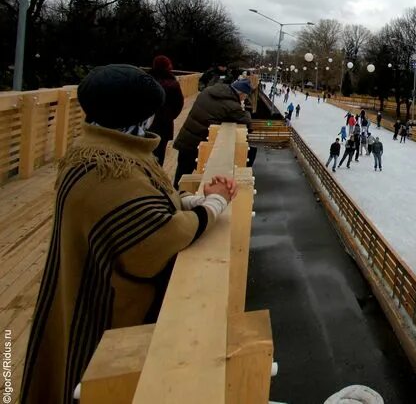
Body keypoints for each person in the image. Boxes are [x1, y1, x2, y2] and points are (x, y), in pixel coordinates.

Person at [20, 64, 238, 404]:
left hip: (81, 288)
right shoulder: (108, 170)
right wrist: (213, 205)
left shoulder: (100, 151)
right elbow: (156, 240)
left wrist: (193, 198)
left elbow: (153, 200)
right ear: (145, 115)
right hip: (99, 316)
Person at [173, 77, 253, 189]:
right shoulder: (231, 105)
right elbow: (247, 120)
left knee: (180, 174)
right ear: (241, 94)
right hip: (197, 143)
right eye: (245, 96)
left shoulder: (210, 90)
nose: (244, 99)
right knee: (200, 175)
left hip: (186, 137)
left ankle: (172, 196)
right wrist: (246, 111)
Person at [147, 55, 185, 166]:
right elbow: (179, 104)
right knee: (159, 154)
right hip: (164, 123)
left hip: (146, 122)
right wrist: (169, 116)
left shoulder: (146, 80)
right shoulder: (172, 84)